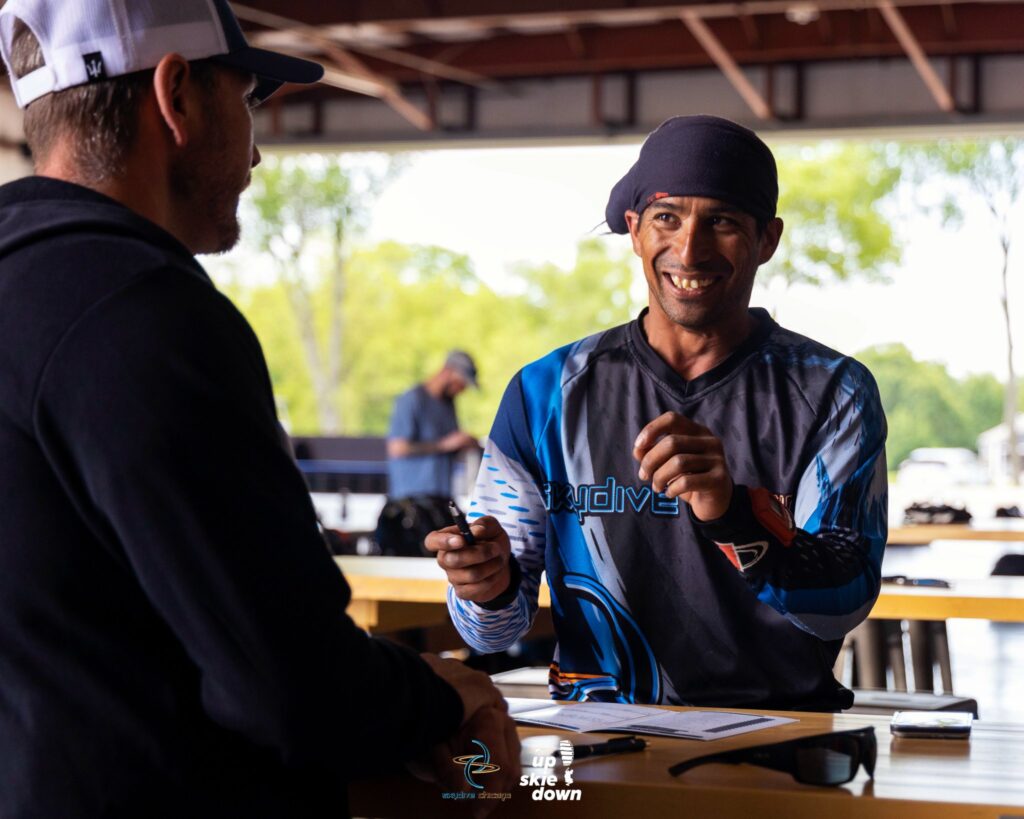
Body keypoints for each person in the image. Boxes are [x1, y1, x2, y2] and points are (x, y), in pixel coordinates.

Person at [0, 1, 517, 815]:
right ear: (177, 96)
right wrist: (440, 694)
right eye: (245, 103)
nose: (258, 152)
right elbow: (290, 687)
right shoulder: (140, 312)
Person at [427, 115, 888, 711]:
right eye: (667, 218)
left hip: (776, 735)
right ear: (635, 230)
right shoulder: (546, 392)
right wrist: (484, 591)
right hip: (596, 738)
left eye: (721, 221)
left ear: (767, 240)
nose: (689, 249)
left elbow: (843, 604)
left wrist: (735, 518)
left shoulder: (833, 392)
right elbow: (494, 631)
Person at [377, 350, 481, 556]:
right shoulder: (411, 400)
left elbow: (447, 448)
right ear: (447, 372)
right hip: (411, 508)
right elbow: (397, 448)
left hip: (441, 503)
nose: (462, 390)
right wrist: (445, 445)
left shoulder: (448, 405)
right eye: (461, 382)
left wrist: (464, 445)